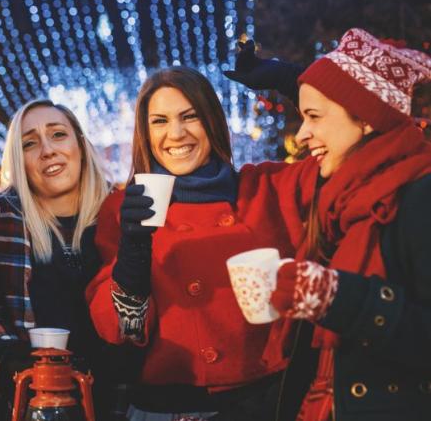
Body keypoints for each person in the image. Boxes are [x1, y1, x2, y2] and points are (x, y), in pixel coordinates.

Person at [85, 66, 320, 420]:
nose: (176, 134)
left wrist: (299, 86)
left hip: (266, 404)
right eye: (159, 121)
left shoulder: (268, 188)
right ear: (145, 134)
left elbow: (363, 148)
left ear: (211, 120)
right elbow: (121, 331)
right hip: (165, 411)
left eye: (189, 116)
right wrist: (133, 251)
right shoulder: (125, 209)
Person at [254, 28, 431, 421]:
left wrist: (341, 299)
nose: (301, 135)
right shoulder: (340, 203)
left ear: (367, 120)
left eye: (313, 117)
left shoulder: (418, 196)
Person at [0, 100, 135, 420]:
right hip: (20, 409)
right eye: (29, 143)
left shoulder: (124, 217)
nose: (47, 150)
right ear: (19, 161)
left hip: (115, 407)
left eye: (58, 135)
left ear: (81, 146)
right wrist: (8, 365)